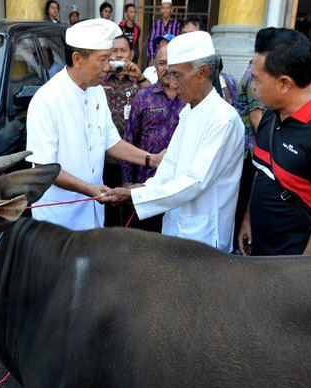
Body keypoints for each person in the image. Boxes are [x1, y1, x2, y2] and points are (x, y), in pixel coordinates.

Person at [107, 31, 244, 252]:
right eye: (169, 75)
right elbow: (170, 165)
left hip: (205, 234)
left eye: (178, 75)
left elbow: (195, 181)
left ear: (203, 72)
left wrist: (137, 195)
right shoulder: (189, 112)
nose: (172, 83)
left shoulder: (223, 120)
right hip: (176, 227)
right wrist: (143, 187)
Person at [26, 19, 163, 231]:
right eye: (103, 59)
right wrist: (90, 189)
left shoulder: (96, 90)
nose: (109, 66)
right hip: (59, 221)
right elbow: (44, 168)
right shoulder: (46, 99)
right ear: (78, 59)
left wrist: (150, 159)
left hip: (93, 213)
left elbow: (110, 141)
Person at [238, 28, 311, 256]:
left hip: (293, 264)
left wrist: (303, 271)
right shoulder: (271, 115)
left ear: (284, 83)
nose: (253, 87)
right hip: (261, 251)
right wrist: (248, 219)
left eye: (257, 79)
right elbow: (263, 170)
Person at [122, 39, 185, 232]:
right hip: (145, 187)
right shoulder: (144, 96)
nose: (166, 68)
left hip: (179, 189)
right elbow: (130, 138)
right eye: (161, 63)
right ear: (154, 65)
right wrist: (127, 183)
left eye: (171, 62)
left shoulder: (190, 98)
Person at [102, 35, 149, 226]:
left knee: (130, 204)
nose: (118, 55)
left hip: (132, 156)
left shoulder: (138, 79)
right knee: (107, 202)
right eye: (114, 51)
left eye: (123, 50)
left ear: (131, 54)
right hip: (106, 157)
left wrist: (140, 77)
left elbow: (156, 99)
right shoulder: (99, 78)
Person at [233, 59, 262, 252]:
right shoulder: (255, 76)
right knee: (243, 200)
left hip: (249, 150)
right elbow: (256, 117)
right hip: (248, 151)